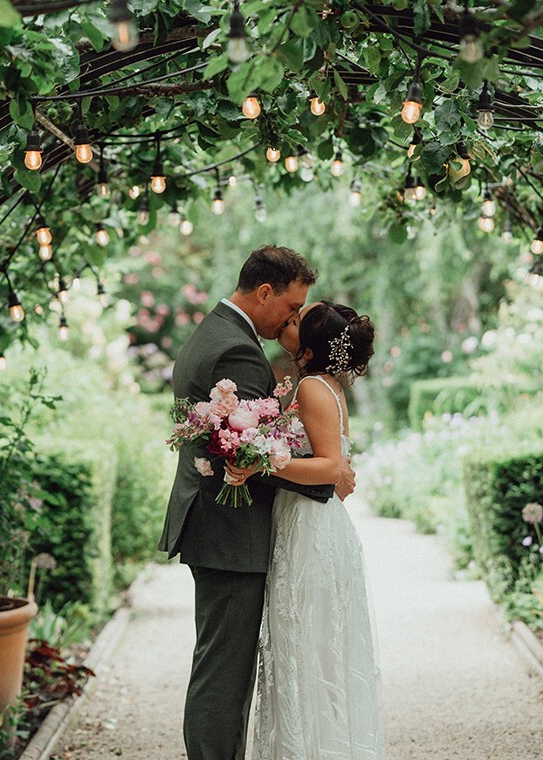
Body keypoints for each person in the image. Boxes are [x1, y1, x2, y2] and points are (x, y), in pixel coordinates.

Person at [159, 246, 356, 760]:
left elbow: (256, 444)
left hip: (220, 528)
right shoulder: (237, 351)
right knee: (224, 677)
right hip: (230, 531)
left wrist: (324, 461)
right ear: (264, 291)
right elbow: (247, 452)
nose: (292, 320)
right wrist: (326, 476)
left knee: (224, 669)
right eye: (290, 308)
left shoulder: (218, 331)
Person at [226, 300, 384, 760]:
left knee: (307, 647)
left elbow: (331, 466)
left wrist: (258, 463)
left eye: (296, 321)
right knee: (309, 646)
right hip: (310, 522)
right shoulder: (325, 385)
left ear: (311, 349)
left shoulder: (314, 386)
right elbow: (340, 466)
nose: (287, 323)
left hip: (310, 528)